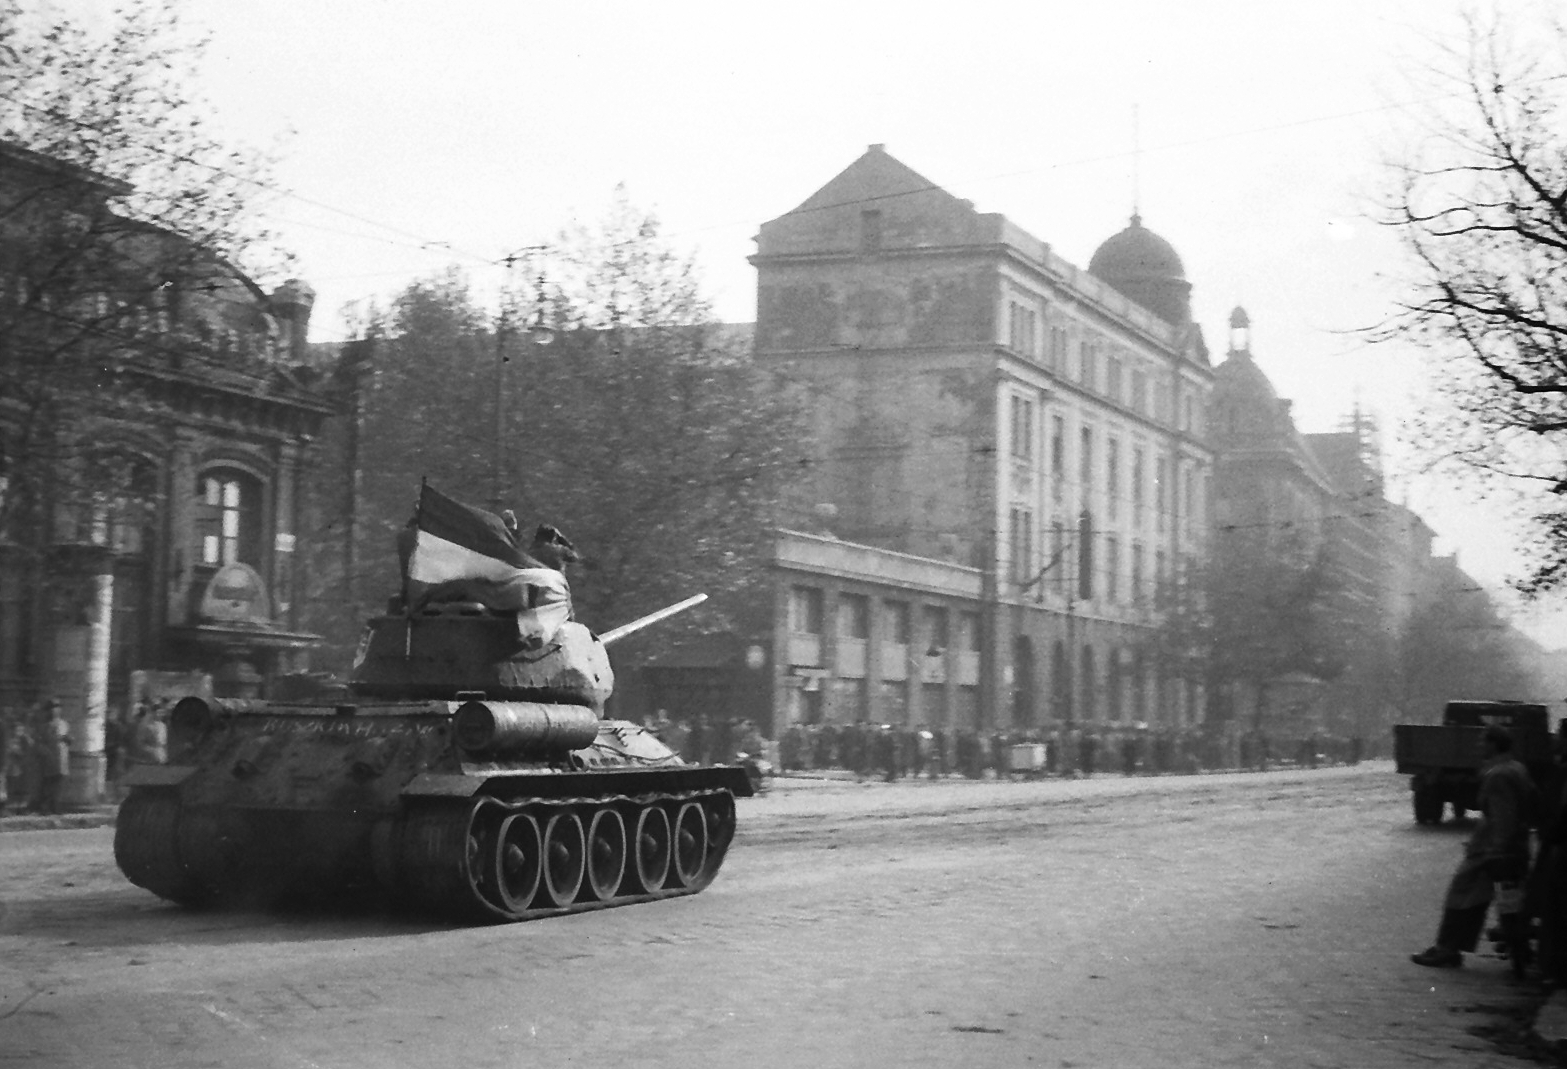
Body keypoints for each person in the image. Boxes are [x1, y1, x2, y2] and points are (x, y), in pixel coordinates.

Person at [1411, 725, 1538, 970]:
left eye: (1483, 742)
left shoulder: (1498, 775)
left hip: (1491, 851)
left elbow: (1503, 817)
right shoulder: (1517, 768)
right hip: (1515, 847)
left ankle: (1447, 949)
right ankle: (1519, 948)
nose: (1479, 746)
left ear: (1493, 744)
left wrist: (1495, 849)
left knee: (1460, 896)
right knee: (1508, 904)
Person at [34, 698, 71, 815]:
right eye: (52, 708)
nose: (54, 711)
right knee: (48, 784)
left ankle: (56, 806)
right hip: (49, 759)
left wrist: (68, 740)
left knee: (59, 784)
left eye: (57, 707)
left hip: (61, 757)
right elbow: (38, 743)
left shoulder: (64, 724)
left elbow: (67, 739)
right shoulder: (44, 726)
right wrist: (44, 752)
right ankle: (45, 807)